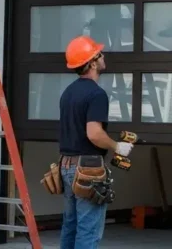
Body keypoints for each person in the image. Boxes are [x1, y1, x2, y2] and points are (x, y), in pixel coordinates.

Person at [59, 36, 134, 249]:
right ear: (92, 63)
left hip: (66, 166)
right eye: (99, 54)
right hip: (88, 169)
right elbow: (94, 134)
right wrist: (117, 146)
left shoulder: (68, 92)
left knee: (71, 226)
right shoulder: (96, 94)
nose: (103, 57)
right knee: (88, 230)